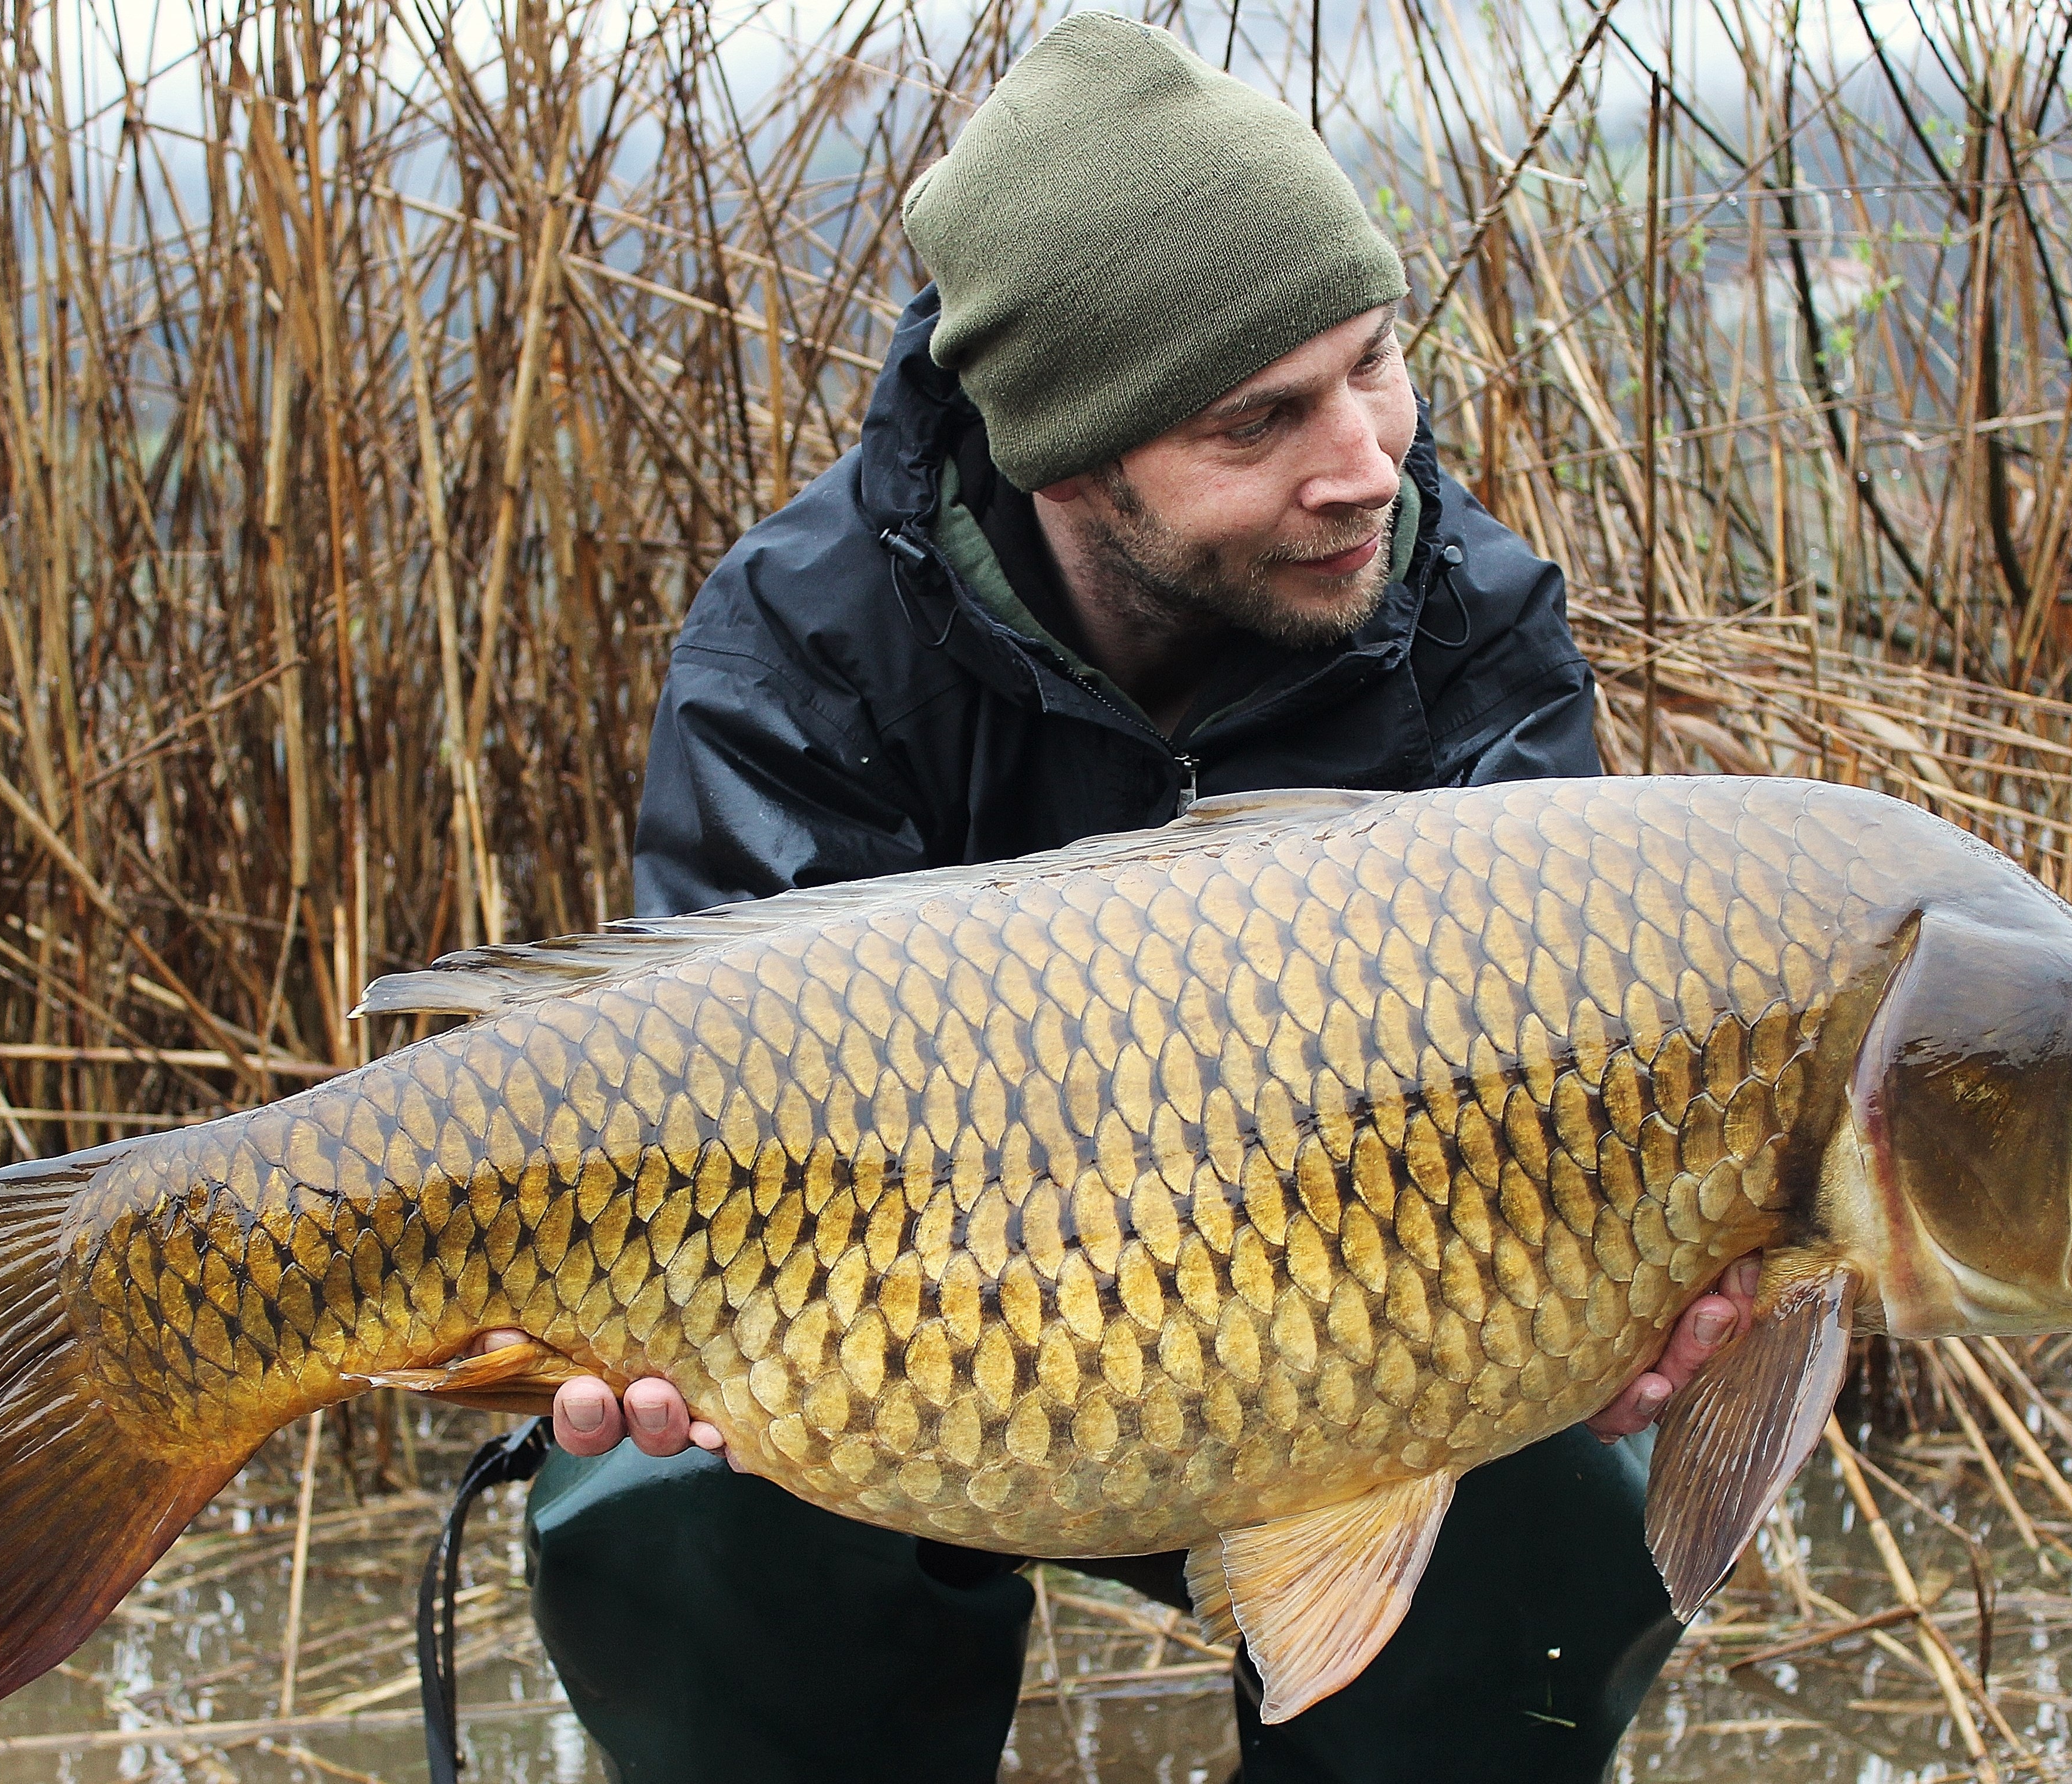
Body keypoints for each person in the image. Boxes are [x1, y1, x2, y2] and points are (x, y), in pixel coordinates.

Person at [471, 16, 1758, 1780]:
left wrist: (1611, 1297)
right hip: (912, 1340)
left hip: (1346, 1319)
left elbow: (1563, 1108)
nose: (1366, 462)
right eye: (1262, 420)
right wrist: (652, 1343)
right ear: (1071, 460)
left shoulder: (1468, 624)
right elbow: (706, 1112)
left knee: (1555, 1496)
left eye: (1373, 365)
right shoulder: (800, 646)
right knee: (669, 1497)